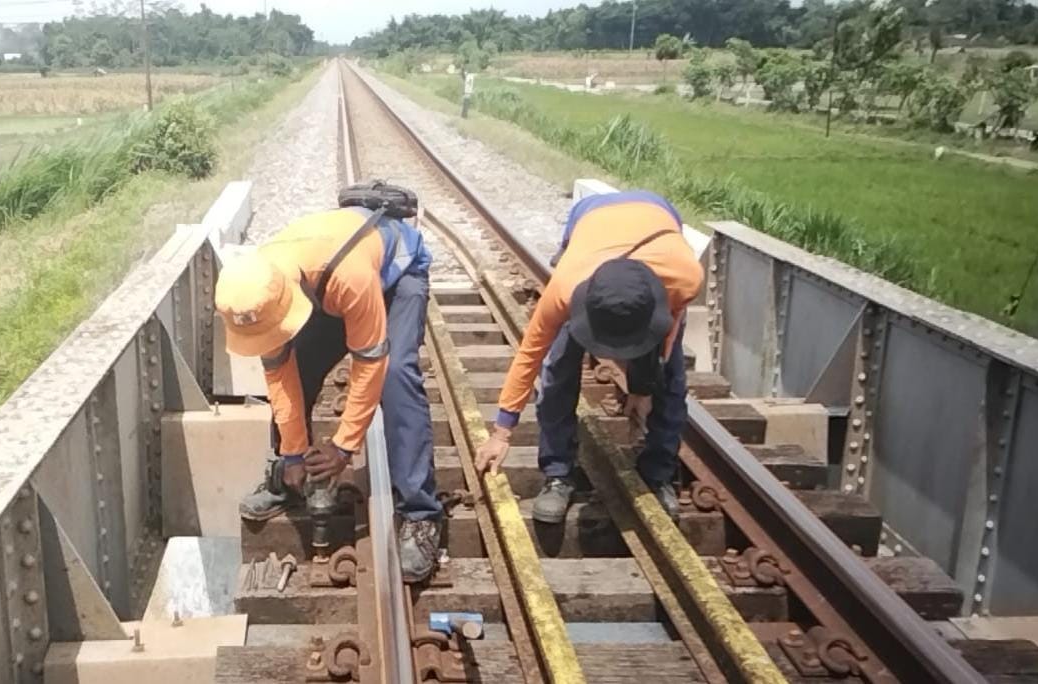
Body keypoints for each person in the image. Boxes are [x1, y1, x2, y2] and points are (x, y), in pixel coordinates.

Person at [214, 187, 442, 582]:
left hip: (395, 275)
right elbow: (280, 374)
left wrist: (343, 447)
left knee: (396, 375)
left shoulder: (348, 279)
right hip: (321, 283)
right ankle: (287, 477)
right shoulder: (258, 287)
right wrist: (294, 453)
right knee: (299, 367)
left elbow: (369, 364)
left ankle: (421, 514)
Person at [474, 190, 703, 523]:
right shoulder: (565, 287)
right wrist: (501, 432)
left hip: (659, 218)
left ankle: (659, 473)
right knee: (558, 367)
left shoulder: (685, 277)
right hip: (590, 217)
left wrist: (644, 386)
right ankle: (557, 472)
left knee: (670, 379)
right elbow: (529, 356)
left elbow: (667, 340)